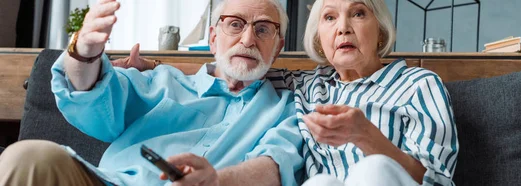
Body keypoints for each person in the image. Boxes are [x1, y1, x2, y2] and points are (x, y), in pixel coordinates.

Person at [115, 0, 459, 185]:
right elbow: (238, 68)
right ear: (320, 41)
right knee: (319, 184)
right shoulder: (308, 87)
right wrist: (156, 67)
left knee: (371, 173)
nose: (343, 27)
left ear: (380, 31)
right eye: (329, 17)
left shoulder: (417, 84)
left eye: (358, 13)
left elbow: (437, 178)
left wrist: (367, 137)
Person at [0, 0, 304, 186]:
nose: (248, 39)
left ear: (277, 47)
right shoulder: (161, 81)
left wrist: (215, 181)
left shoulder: (286, 110)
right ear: (213, 39)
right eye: (235, 24)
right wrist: (85, 54)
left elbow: (275, 165)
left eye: (263, 29)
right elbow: (93, 98)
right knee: (27, 157)